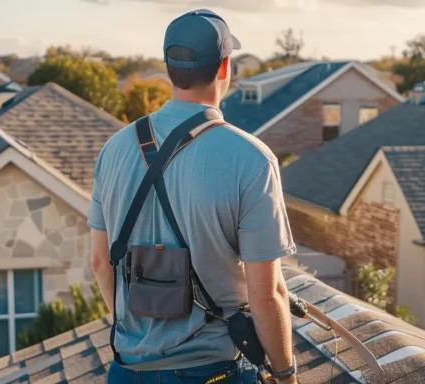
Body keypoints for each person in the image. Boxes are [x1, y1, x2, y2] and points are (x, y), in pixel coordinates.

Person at [88, 9, 298, 384]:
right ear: (224, 68)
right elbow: (266, 294)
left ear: (169, 69)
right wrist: (286, 374)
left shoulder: (114, 149)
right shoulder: (251, 159)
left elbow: (99, 264)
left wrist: (139, 337)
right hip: (212, 371)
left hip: (128, 370)